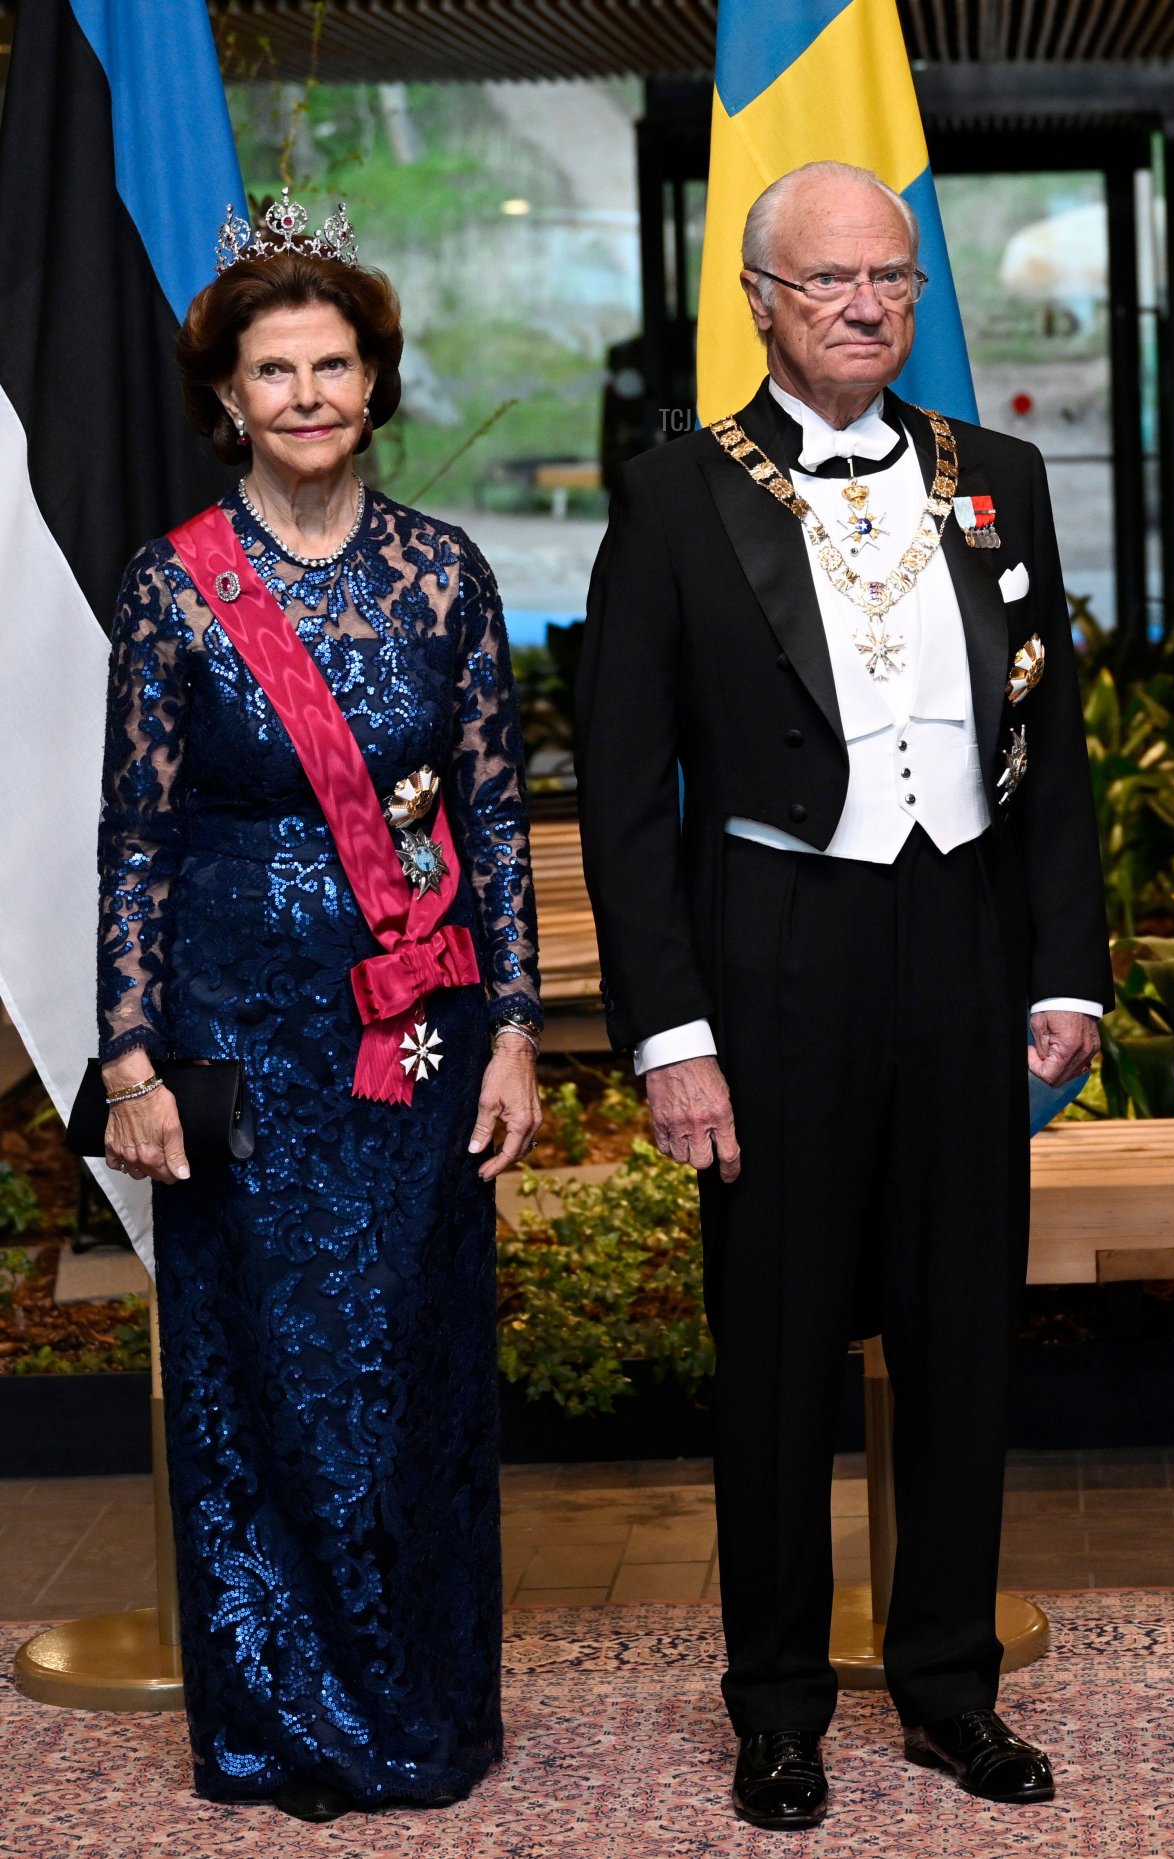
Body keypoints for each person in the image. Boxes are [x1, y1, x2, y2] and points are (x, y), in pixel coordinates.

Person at [576, 161, 1112, 1832]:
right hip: (777, 954)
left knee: (963, 1339)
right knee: (784, 1352)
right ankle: (780, 1710)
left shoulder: (1000, 477)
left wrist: (1068, 971)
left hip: (960, 942)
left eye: (891, 275)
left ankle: (948, 1690)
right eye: (830, 282)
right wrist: (672, 1035)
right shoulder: (672, 497)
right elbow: (617, 787)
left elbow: (1057, 759)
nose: (870, 302)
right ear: (759, 298)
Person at [97, 195, 541, 1822]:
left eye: (331, 364)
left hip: (410, 1031)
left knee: (411, 1365)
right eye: (272, 370)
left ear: (375, 383)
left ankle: (421, 1709)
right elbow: (134, 830)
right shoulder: (173, 589)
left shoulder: (445, 576)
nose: (303, 395)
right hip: (229, 1039)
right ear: (227, 396)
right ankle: (276, 1720)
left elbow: (493, 819)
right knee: (256, 1373)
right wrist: (131, 1054)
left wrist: (516, 1032)